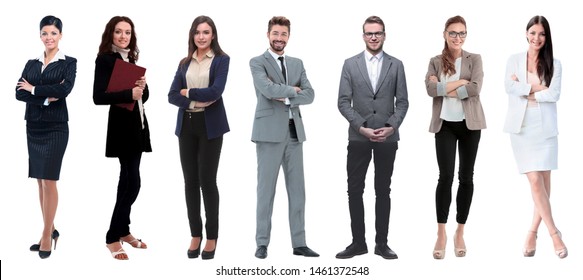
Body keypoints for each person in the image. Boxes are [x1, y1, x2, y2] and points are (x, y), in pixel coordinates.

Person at [336, 16, 408, 260]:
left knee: (383, 190)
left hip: (388, 138)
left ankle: (381, 243)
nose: (374, 37)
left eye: (378, 33)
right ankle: (358, 243)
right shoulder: (350, 64)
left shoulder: (396, 65)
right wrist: (361, 127)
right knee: (354, 190)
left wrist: (391, 126)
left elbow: (403, 102)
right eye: (369, 33)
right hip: (358, 138)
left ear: (385, 35)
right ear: (363, 36)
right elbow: (343, 102)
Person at [250, 16, 318, 259]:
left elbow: (310, 95)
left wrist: (287, 95)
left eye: (284, 34)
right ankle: (262, 243)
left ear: (289, 36)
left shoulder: (298, 64)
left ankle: (299, 243)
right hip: (268, 134)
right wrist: (293, 90)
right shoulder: (257, 62)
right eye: (275, 34)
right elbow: (266, 89)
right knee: (265, 191)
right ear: (268, 34)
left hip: (294, 134)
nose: (279, 38)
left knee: (298, 192)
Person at [503, 15, 567, 259]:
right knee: (534, 181)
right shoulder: (514, 60)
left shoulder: (555, 64)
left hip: (545, 129)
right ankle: (554, 234)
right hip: (521, 128)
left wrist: (527, 91)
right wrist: (539, 89)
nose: (536, 38)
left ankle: (531, 231)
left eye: (541, 34)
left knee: (543, 184)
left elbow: (555, 94)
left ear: (546, 36)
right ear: (526, 33)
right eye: (533, 33)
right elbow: (509, 88)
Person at [168, 15, 230, 260]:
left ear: (213, 35)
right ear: (192, 36)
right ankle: (195, 233)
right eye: (197, 32)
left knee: (207, 180)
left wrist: (188, 91)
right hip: (187, 125)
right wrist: (195, 98)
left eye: (206, 32)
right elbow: (172, 95)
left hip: (210, 126)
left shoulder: (222, 60)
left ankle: (212, 235)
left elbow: (216, 91)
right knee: (190, 182)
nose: (201, 37)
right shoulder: (185, 62)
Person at [424, 15, 486, 259]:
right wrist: (460, 83)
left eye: (462, 33)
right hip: (445, 126)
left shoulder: (475, 59)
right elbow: (430, 90)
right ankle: (441, 233)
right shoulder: (435, 61)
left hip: (470, 125)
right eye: (453, 33)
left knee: (466, 177)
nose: (457, 37)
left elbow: (475, 88)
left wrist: (446, 86)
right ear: (445, 34)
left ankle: (460, 231)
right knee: (445, 177)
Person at [15, 15, 76, 259]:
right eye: (44, 33)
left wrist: (34, 89)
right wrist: (42, 96)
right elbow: (18, 93)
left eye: (53, 33)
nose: (49, 37)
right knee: (40, 181)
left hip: (56, 127)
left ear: (60, 35)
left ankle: (45, 235)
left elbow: (65, 90)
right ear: (40, 36)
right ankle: (50, 230)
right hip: (34, 126)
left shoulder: (68, 62)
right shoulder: (31, 63)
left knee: (49, 180)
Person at [93, 16, 152, 260]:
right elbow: (98, 96)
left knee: (128, 181)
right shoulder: (105, 59)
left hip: (137, 126)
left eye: (127, 32)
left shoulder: (130, 58)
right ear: (111, 34)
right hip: (121, 128)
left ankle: (123, 230)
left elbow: (142, 97)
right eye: (118, 32)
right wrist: (131, 91)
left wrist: (143, 87)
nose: (123, 36)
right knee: (132, 182)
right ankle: (111, 236)